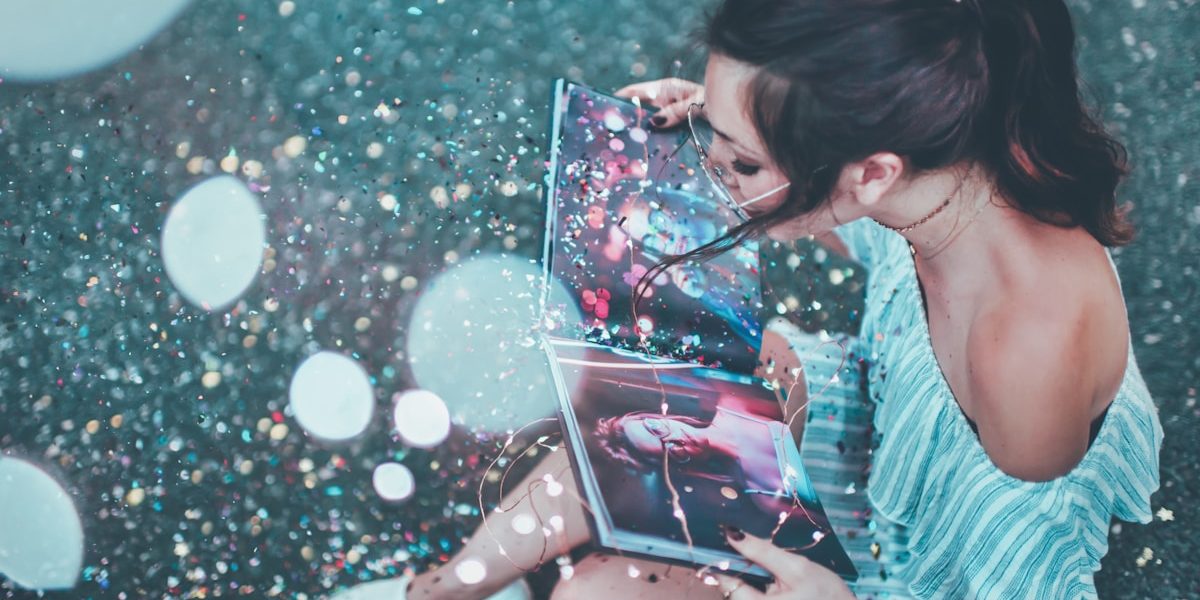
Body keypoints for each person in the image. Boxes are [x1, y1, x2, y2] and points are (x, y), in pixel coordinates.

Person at [340, 0, 1162, 597]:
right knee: (660, 416)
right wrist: (723, 118)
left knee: (603, 592)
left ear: (871, 171)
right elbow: (863, 212)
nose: (708, 170)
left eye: (738, 161)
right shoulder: (949, 157)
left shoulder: (1023, 354)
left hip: (937, 565)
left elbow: (1017, 583)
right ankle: (443, 592)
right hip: (884, 419)